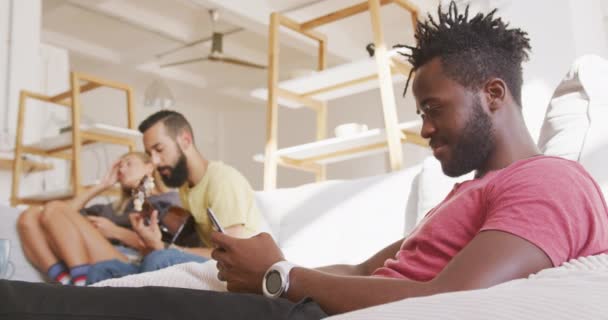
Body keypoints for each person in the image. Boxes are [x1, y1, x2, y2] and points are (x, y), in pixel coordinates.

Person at [2, 2, 608, 319]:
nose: (423, 128)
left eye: (433, 108)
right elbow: (368, 269)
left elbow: (453, 300)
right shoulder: (468, 194)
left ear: (493, 94)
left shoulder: (550, 182)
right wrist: (272, 264)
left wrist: (281, 279)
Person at [86, 109, 263, 283]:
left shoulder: (223, 180)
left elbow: (231, 255)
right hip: (208, 264)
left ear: (185, 140)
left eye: (159, 149)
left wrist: (166, 249)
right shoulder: (186, 188)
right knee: (104, 269)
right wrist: (156, 243)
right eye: (149, 154)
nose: (154, 161)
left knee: (160, 260)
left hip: (237, 271)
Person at [16, 152, 180, 286]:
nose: (122, 168)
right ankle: (68, 282)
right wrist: (103, 184)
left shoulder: (166, 201)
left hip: (131, 262)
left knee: (54, 207)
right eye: (119, 166)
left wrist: (115, 232)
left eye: (129, 163)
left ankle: (80, 285)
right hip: (89, 256)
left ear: (149, 166)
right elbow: (53, 217)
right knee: (28, 217)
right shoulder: (112, 207)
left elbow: (165, 250)